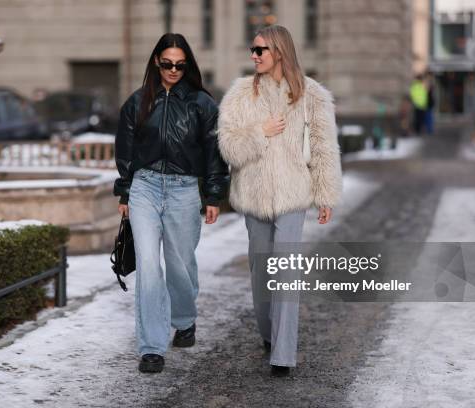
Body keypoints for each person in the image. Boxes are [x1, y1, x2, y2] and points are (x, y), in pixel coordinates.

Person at [217, 25, 342, 377]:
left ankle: (283, 354)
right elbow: (227, 145)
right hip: (253, 195)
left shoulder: (312, 95)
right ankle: (269, 334)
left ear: (280, 52)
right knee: (261, 273)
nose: (254, 56)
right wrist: (260, 133)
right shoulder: (241, 93)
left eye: (260, 50)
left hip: (292, 195)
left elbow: (322, 146)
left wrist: (325, 194)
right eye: (252, 50)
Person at [113, 33, 229, 374]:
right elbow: (125, 151)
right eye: (167, 64)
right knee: (149, 266)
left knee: (180, 264)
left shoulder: (202, 104)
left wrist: (212, 195)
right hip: (145, 188)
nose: (174, 70)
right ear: (156, 62)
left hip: (183, 190)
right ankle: (152, 346)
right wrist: (125, 192)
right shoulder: (137, 103)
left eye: (180, 64)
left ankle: (184, 318)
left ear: (187, 64)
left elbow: (214, 153)